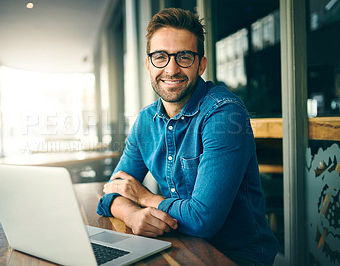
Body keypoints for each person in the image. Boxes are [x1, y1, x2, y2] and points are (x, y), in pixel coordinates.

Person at [97, 8, 279, 266]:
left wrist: (143, 198)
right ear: (148, 64)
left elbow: (202, 220)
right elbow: (111, 194)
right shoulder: (145, 122)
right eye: (160, 57)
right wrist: (132, 216)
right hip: (176, 244)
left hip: (236, 256)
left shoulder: (224, 115)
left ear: (201, 64)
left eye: (184, 57)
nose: (171, 69)